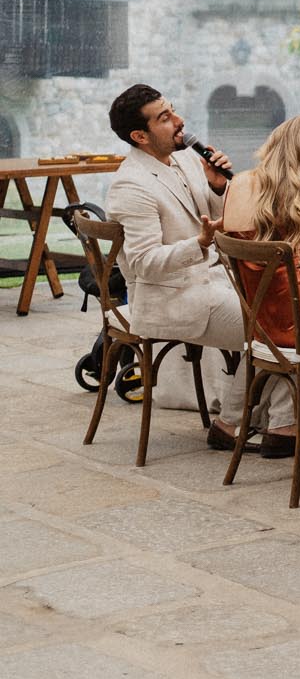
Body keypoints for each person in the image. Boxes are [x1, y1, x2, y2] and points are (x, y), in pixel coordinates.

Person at [103, 85, 247, 452]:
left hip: (215, 282)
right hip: (174, 298)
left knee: (296, 314)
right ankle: (234, 424)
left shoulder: (183, 160)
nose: (179, 121)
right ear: (140, 136)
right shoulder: (130, 186)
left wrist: (216, 190)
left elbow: (210, 220)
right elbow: (143, 264)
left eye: (173, 111)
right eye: (164, 118)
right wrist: (198, 245)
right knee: (276, 331)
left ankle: (280, 424)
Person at [218, 114, 300, 459]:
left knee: (283, 337)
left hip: (260, 311)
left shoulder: (239, 182)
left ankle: (238, 423)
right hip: (298, 315)